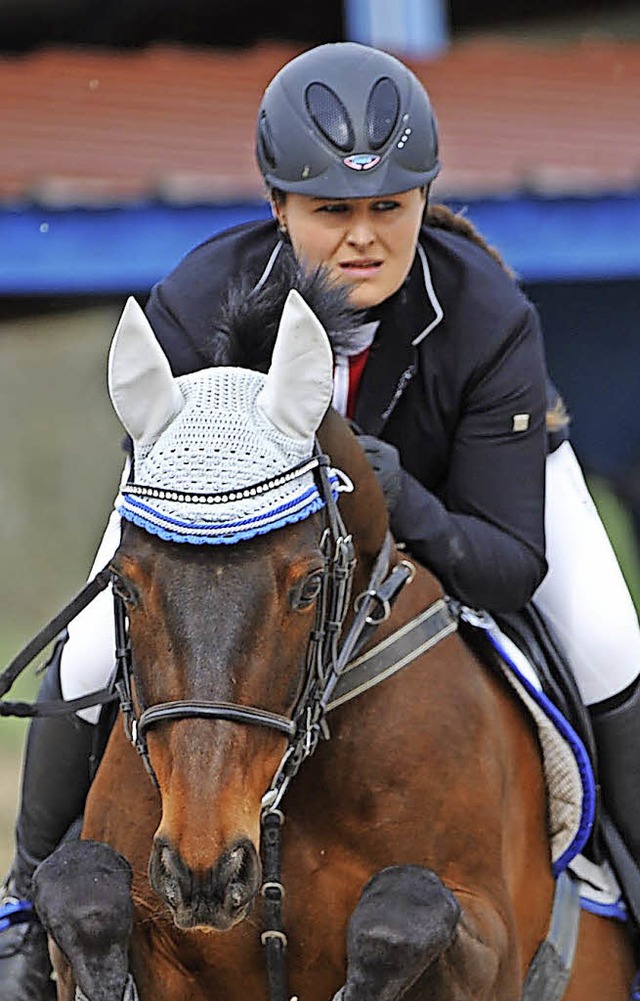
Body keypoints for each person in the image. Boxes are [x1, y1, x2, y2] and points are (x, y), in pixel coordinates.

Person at [2, 40, 640, 997]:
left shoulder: (487, 314)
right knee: (93, 645)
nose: (363, 238)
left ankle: (628, 885)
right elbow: (169, 523)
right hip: (231, 529)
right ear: (278, 207)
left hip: (460, 495)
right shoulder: (196, 299)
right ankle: (19, 914)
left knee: (607, 637)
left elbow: (507, 565)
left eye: (389, 207)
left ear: (423, 201)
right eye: (330, 210)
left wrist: (398, 490)